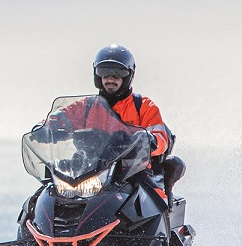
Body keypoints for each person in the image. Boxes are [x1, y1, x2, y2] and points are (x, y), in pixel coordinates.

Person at [41, 44, 182, 191]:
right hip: (90, 170)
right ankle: (32, 214)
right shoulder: (87, 106)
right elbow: (60, 117)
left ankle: (163, 211)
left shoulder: (143, 106)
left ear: (128, 75)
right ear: (97, 75)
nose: (110, 79)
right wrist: (44, 128)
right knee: (47, 191)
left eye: (118, 73)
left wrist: (150, 140)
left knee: (152, 195)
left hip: (132, 171)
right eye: (104, 72)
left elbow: (161, 136)